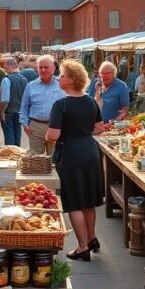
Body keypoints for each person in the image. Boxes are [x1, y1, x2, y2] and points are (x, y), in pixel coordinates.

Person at [46, 59, 105, 261]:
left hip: (70, 153)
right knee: (88, 198)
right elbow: (99, 128)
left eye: (61, 75)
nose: (58, 78)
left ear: (71, 80)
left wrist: (48, 136)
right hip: (89, 150)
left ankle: (82, 247)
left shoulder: (61, 105)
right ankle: (92, 238)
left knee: (73, 202)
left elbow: (53, 135)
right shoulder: (90, 101)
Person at [21, 55, 65, 154]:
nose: (43, 70)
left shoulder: (61, 85)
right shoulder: (31, 86)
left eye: (46, 67)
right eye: (41, 67)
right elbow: (24, 106)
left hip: (55, 126)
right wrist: (24, 123)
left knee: (54, 159)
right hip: (35, 127)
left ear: (53, 68)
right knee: (36, 161)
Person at [0, 57, 28, 147]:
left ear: (9, 66)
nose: (5, 68)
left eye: (5, 66)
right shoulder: (24, 79)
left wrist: (2, 111)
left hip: (9, 111)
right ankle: (17, 154)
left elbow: (5, 99)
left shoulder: (6, 80)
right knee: (17, 133)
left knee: (9, 135)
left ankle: (10, 156)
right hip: (19, 110)